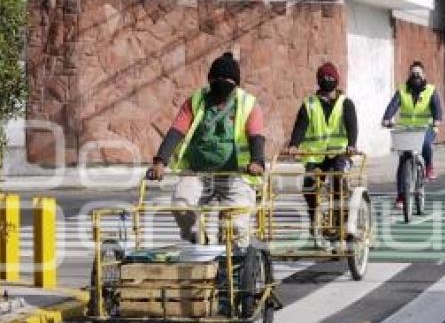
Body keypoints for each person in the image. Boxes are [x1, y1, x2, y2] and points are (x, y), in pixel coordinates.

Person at [146, 52, 265, 247]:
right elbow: (176, 131)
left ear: (236, 84)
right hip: (198, 173)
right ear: (210, 80)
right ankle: (197, 238)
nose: (222, 83)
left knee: (235, 225)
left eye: (227, 80)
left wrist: (257, 161)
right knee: (181, 204)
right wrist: (160, 161)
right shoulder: (196, 101)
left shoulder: (248, 104)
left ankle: (236, 260)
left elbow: (256, 136)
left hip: (236, 175)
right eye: (217, 79)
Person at [287, 62, 358, 232]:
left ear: (336, 80)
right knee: (308, 184)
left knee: (338, 179)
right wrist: (294, 145)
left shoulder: (345, 103)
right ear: (318, 81)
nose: (327, 80)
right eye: (324, 78)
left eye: (330, 78)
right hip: (316, 155)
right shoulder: (309, 104)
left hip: (339, 154)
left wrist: (352, 145)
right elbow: (300, 126)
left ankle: (341, 218)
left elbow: (352, 126)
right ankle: (313, 216)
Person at [381, 61, 443, 209]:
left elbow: (437, 109)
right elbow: (393, 105)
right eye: (413, 73)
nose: (416, 76)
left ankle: (429, 167)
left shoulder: (430, 90)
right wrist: (387, 118)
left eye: (419, 73)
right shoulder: (402, 90)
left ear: (424, 75)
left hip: (426, 128)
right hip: (407, 130)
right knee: (403, 162)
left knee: (427, 144)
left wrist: (437, 121)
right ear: (409, 75)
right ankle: (401, 196)